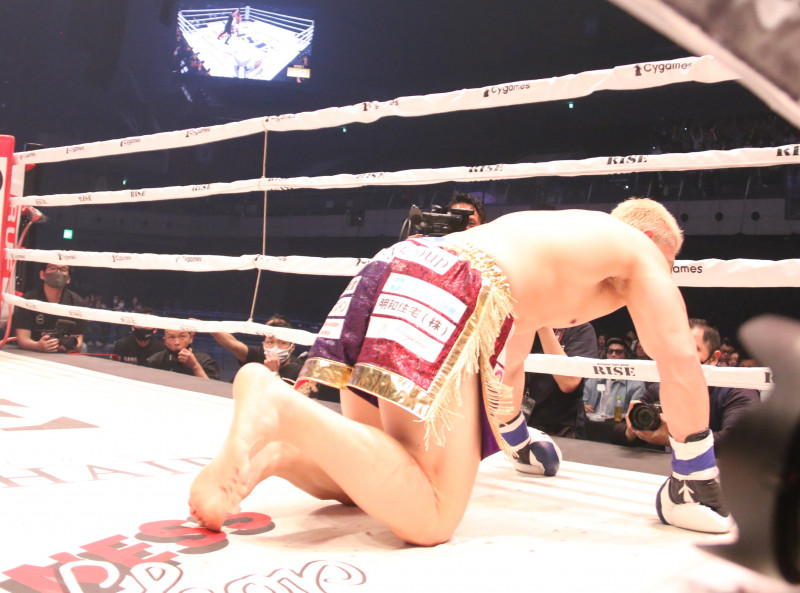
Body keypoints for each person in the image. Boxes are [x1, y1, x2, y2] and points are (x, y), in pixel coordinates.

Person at [189, 198, 733, 544]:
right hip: (454, 284)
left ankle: (273, 454)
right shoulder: (638, 250)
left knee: (366, 483)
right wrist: (695, 478)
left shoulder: (557, 245)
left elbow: (509, 359)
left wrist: (517, 440)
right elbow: (679, 358)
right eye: (669, 268)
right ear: (658, 246)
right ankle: (278, 402)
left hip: (397, 266)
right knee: (432, 515)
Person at [615, 319, 760, 456]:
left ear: (714, 358)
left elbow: (736, 441)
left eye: (690, 349)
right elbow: (618, 429)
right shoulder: (660, 388)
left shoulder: (737, 389)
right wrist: (632, 431)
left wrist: (673, 440)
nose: (680, 356)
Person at [522, 324, 598, 439]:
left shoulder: (580, 329)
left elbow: (568, 382)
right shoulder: (523, 328)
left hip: (560, 428)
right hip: (521, 421)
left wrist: (543, 325)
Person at [13, 263, 87, 353]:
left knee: (83, 347)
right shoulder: (28, 300)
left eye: (63, 269)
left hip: (63, 353)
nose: (58, 272)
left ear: (68, 279)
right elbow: (23, 339)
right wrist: (37, 346)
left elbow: (78, 340)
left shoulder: (77, 303)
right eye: (52, 268)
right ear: (42, 274)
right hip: (32, 350)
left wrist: (68, 345)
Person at [210, 316, 303, 384]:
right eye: (270, 342)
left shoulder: (299, 370)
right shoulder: (258, 354)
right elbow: (233, 344)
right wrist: (208, 326)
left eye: (282, 343)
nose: (275, 347)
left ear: (292, 347)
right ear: (263, 344)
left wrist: (274, 372)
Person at [583, 337, 646, 420]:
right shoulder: (594, 378)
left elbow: (635, 411)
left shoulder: (636, 383)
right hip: (591, 420)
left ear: (625, 356)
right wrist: (584, 406)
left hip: (617, 422)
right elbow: (582, 401)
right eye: (610, 351)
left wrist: (614, 418)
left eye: (618, 352)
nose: (613, 354)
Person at [146, 329, 220, 380]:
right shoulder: (155, 361)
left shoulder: (205, 361)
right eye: (171, 337)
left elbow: (213, 391)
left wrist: (195, 366)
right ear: (165, 341)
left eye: (182, 336)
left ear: (191, 338)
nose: (177, 342)